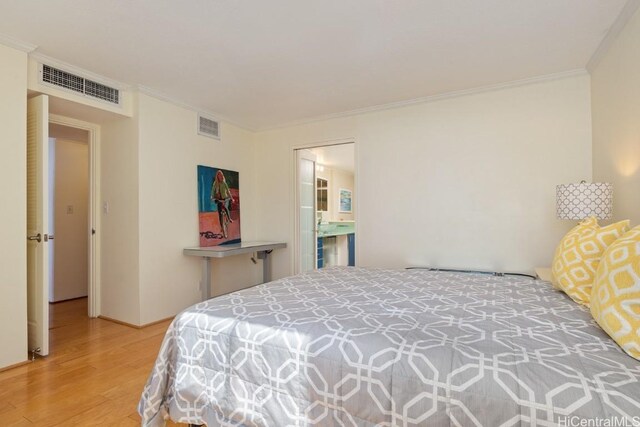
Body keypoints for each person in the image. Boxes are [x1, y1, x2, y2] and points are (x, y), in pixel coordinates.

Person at [211, 170, 233, 237]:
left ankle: (229, 218)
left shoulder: (224, 183)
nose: (220, 176)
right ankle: (222, 227)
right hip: (218, 199)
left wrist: (231, 198)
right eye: (218, 175)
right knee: (220, 214)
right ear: (217, 176)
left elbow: (228, 191)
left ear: (222, 176)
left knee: (225, 208)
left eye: (221, 175)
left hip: (224, 198)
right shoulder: (215, 183)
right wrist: (212, 197)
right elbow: (212, 191)